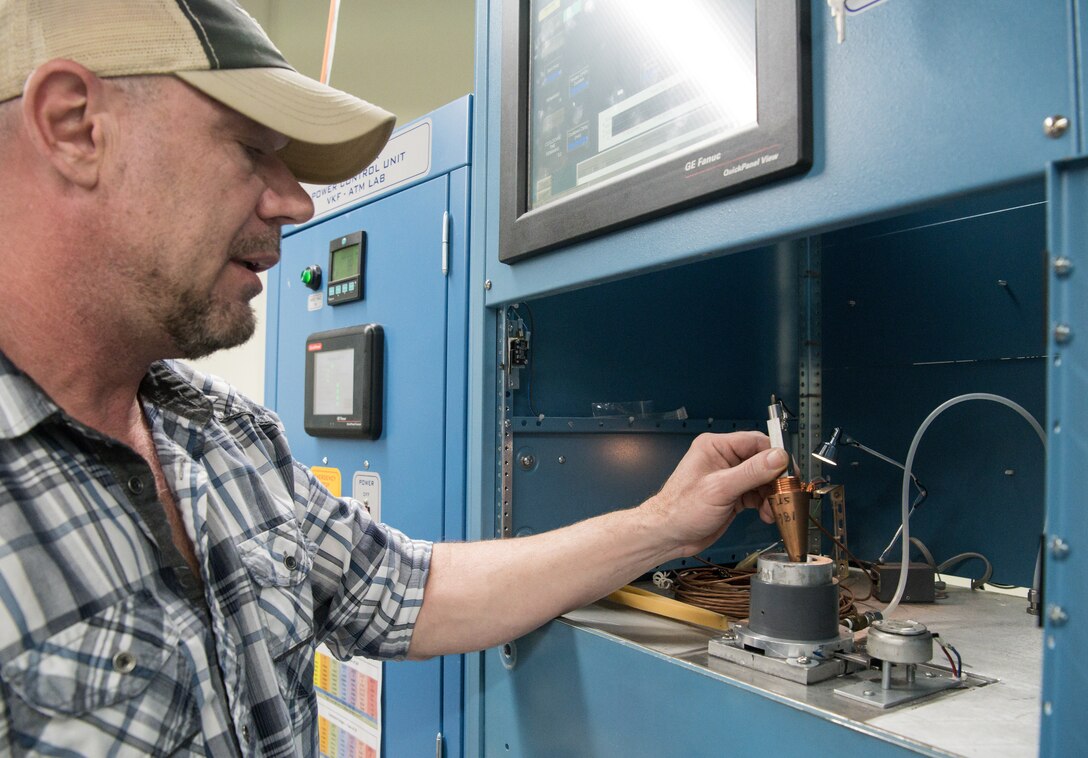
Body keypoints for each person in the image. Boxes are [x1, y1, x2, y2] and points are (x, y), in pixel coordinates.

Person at [0, 1, 789, 755]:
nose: (297, 202)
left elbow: (413, 591)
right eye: (251, 147)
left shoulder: (225, 438)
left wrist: (666, 521)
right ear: (75, 126)